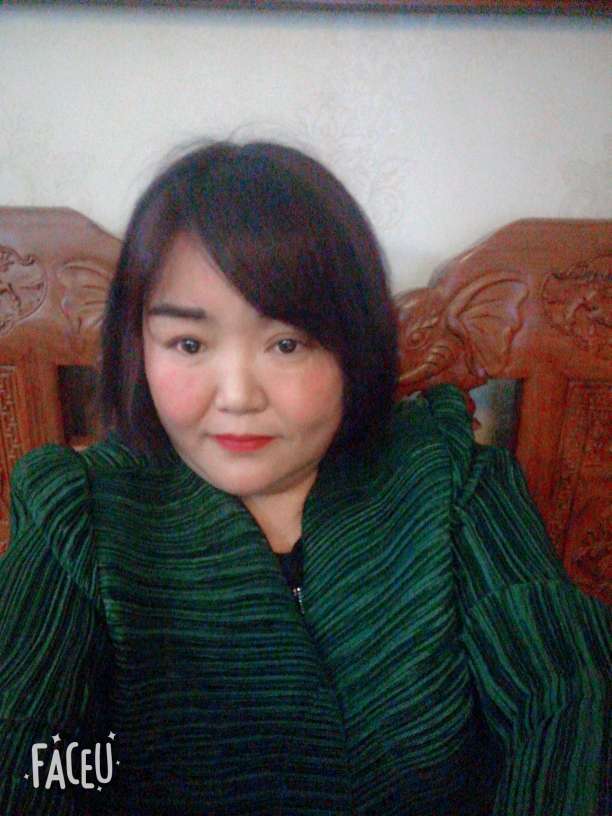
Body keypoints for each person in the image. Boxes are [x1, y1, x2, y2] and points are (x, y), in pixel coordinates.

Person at [0, 141, 609, 816]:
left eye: (287, 344)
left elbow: (566, 696)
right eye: (189, 344)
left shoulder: (451, 481)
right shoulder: (83, 515)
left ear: (356, 344)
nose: (237, 396)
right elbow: (28, 742)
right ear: (137, 347)